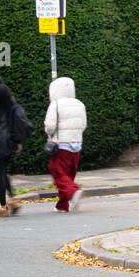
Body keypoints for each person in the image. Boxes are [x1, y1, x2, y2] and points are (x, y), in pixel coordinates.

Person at [0, 80, 32, 215]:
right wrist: (18, 141)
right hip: (10, 143)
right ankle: (13, 200)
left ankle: (3, 206)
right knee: (3, 173)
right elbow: (18, 122)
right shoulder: (11, 105)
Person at [44, 76, 87, 212]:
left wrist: (49, 134)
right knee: (68, 175)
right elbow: (83, 124)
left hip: (61, 144)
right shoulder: (79, 104)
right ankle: (63, 205)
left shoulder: (55, 104)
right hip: (77, 143)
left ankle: (74, 192)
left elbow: (50, 126)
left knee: (57, 172)